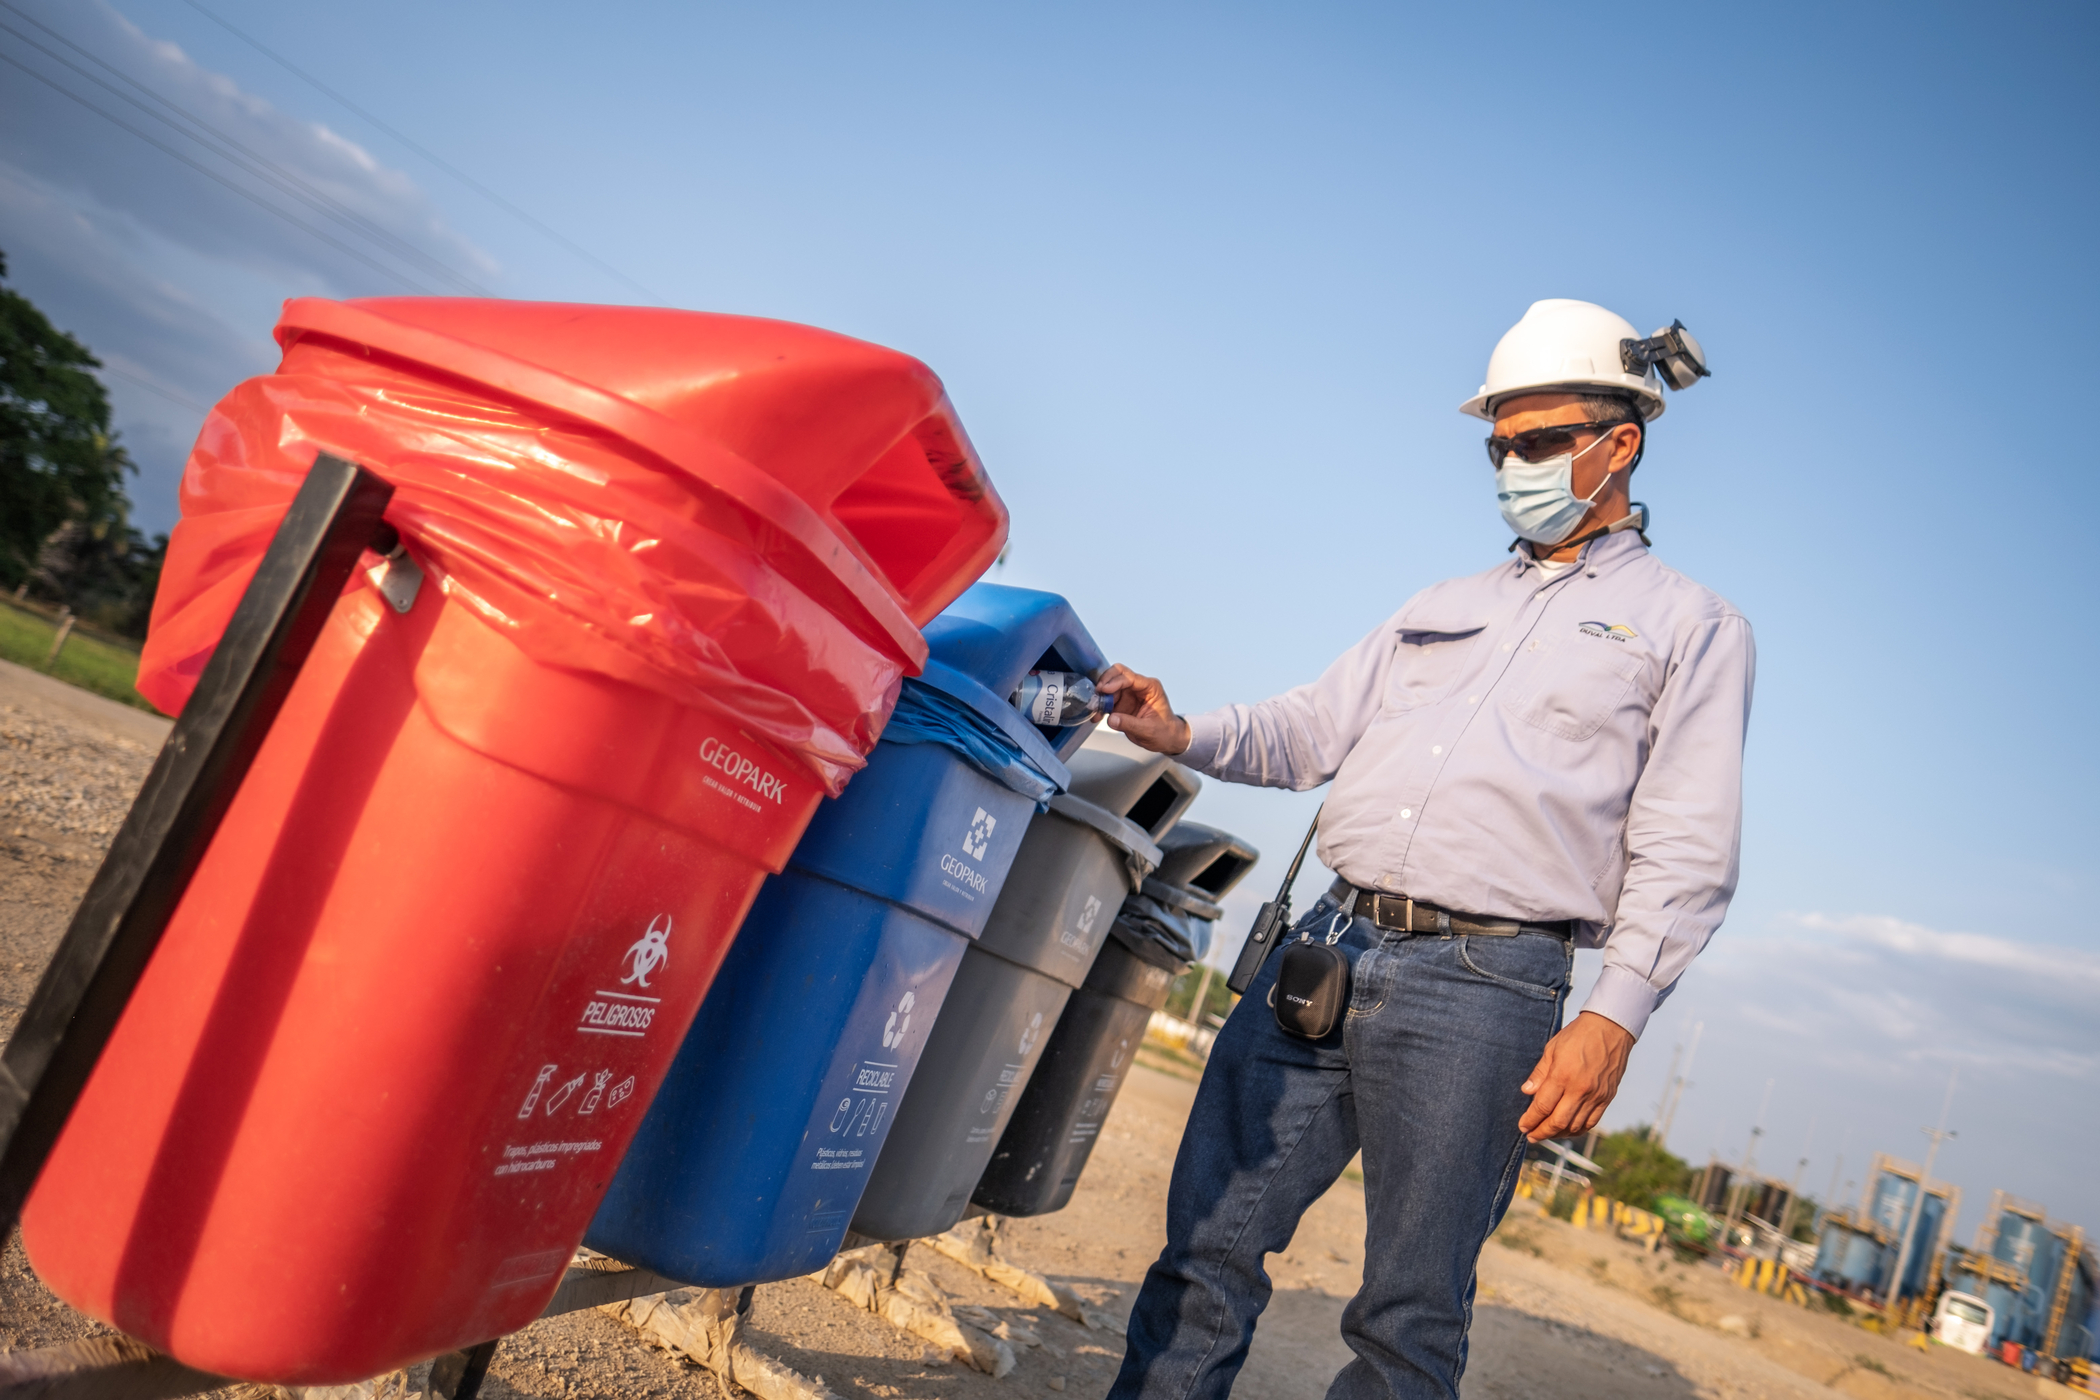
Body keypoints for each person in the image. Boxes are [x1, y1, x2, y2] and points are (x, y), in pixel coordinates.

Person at [1095, 299, 1754, 1399]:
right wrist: (1182, 729)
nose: (1512, 466)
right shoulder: (1438, 604)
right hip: (1328, 949)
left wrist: (1615, 1013)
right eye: (1500, 446)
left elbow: (1688, 841)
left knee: (1407, 1318)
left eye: (1539, 442)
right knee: (1205, 1246)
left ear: (1620, 442)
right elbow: (1308, 729)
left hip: (1486, 987)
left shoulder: (1692, 626)